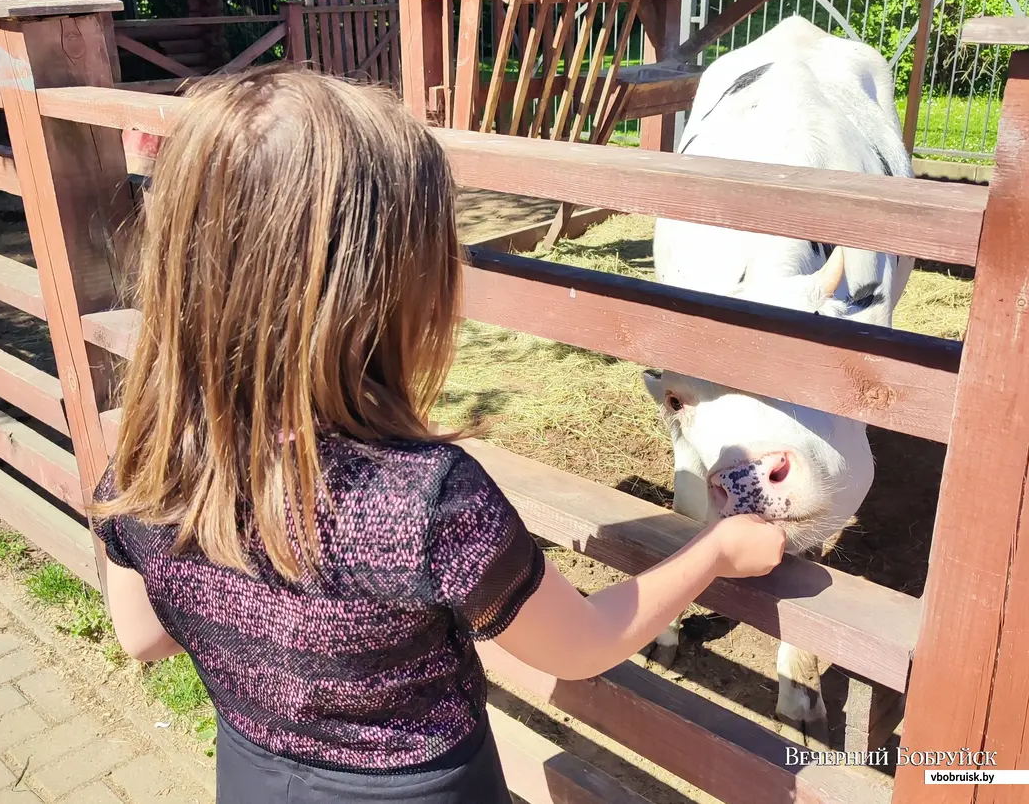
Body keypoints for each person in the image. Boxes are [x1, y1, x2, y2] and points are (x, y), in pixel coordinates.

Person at [90, 64, 786, 804]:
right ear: (384, 280)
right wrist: (716, 550)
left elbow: (143, 637)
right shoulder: (426, 499)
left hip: (253, 775)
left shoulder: (153, 459)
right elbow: (581, 644)